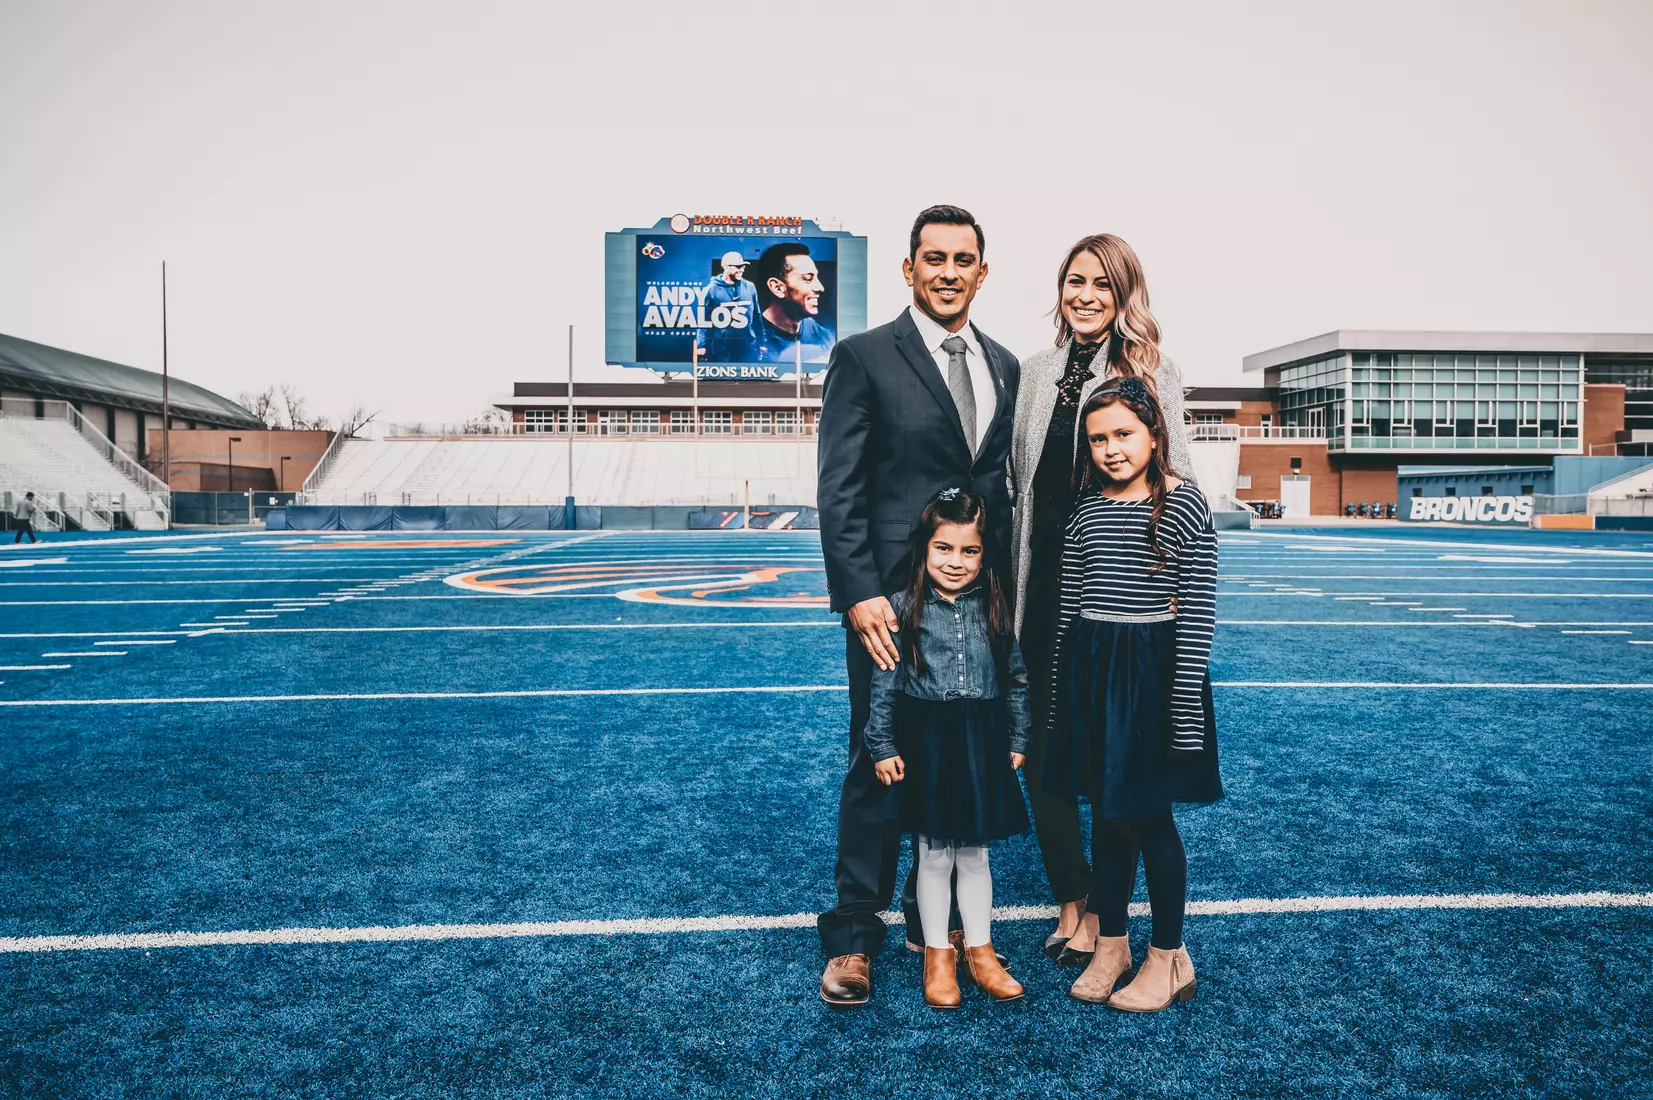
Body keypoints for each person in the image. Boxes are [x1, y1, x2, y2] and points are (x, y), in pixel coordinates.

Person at [816, 205, 1020, 1007]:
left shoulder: (1004, 363)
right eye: (931, 257)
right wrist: (860, 591)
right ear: (908, 269)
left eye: (961, 259)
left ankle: (927, 919)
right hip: (892, 606)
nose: (946, 271)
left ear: (980, 270)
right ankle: (853, 937)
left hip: (977, 604)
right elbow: (840, 485)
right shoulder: (864, 356)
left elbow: (997, 489)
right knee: (879, 759)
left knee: (958, 754)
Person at [1008, 233, 1193, 968]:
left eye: (1101, 285)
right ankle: (1072, 903)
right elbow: (1015, 485)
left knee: (1110, 757)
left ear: (1125, 295)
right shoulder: (1032, 373)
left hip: (1115, 595)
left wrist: (1170, 598)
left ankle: (1114, 921)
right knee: (1046, 755)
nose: (1084, 295)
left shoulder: (1153, 370)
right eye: (1073, 281)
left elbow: (1178, 480)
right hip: (1039, 584)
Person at [1044, 377, 1222, 1011]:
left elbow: (1197, 615)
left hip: (1151, 678)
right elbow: (1070, 611)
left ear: (1154, 433)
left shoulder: (1184, 505)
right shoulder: (1086, 511)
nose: (1112, 448)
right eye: (1098, 439)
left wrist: (1182, 713)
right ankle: (1112, 943)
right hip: (1094, 673)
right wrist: (1064, 703)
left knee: (1151, 820)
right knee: (1108, 819)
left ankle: (1168, 957)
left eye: (1124, 433)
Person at [865, 488, 1031, 1009]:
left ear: (985, 554)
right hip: (928, 742)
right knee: (933, 855)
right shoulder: (902, 606)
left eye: (969, 551)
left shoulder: (998, 606)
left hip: (981, 738)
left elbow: (1018, 679)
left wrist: (1020, 737)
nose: (955, 562)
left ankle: (980, 949)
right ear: (924, 548)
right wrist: (882, 743)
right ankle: (938, 954)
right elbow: (883, 682)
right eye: (944, 548)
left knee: (976, 854)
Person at [754, 242, 834, 364]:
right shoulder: (750, 341)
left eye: (816, 278)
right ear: (777, 288)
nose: (820, 287)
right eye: (808, 278)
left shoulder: (823, 336)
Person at [696, 251, 763, 363]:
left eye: (743, 266)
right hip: (721, 349)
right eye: (738, 266)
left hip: (747, 348)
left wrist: (762, 343)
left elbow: (757, 317)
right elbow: (703, 322)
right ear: (726, 267)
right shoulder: (711, 290)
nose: (742, 269)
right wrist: (701, 345)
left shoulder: (750, 287)